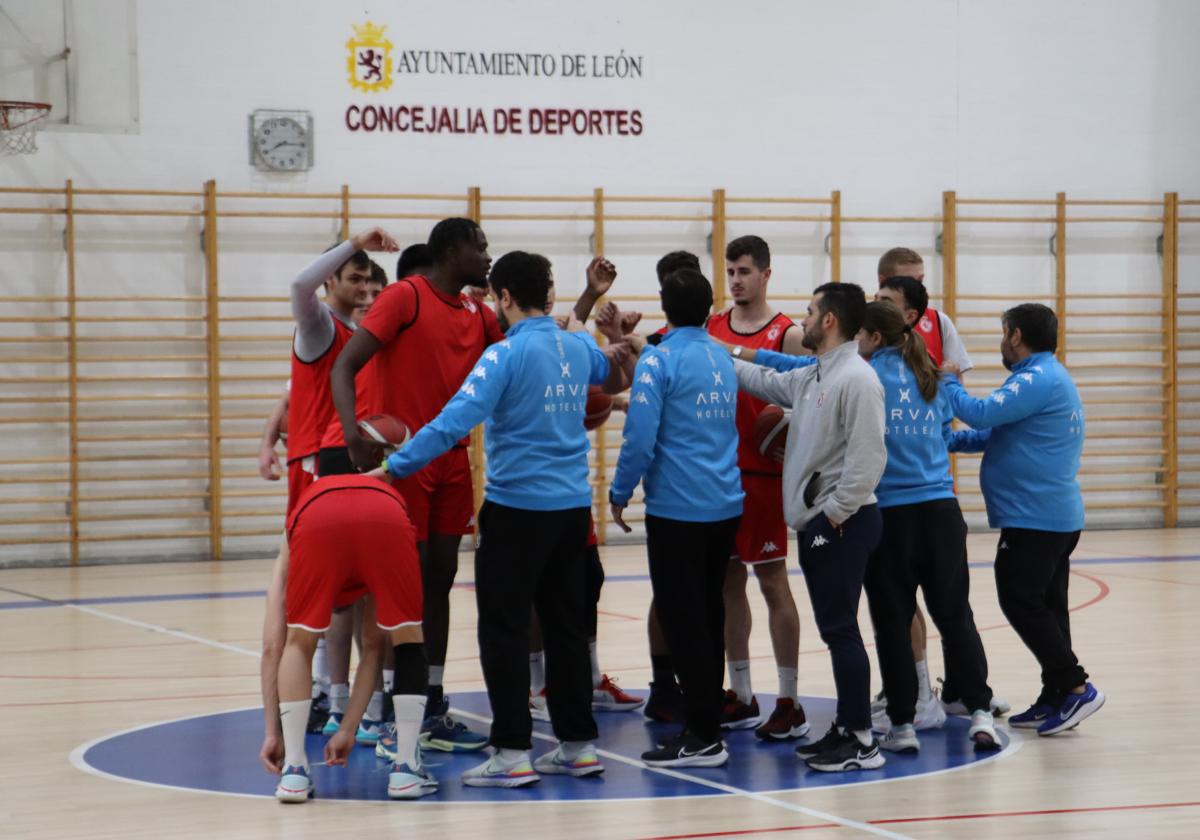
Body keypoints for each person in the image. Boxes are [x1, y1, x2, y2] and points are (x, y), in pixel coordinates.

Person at [376, 250, 628, 787]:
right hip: (571, 513)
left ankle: (513, 753)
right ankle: (578, 746)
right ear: (550, 293)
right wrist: (610, 335)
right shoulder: (579, 347)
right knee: (565, 628)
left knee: (505, 631)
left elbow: (450, 425)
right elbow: (612, 367)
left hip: (516, 515)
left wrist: (394, 467)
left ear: (504, 298)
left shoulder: (501, 358)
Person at [332, 218, 501, 754]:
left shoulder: (478, 312)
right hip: (404, 460)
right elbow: (344, 364)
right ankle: (387, 706)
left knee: (441, 580)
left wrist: (588, 304)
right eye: (480, 246)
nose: (487, 254)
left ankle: (430, 699)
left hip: (454, 460)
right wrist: (352, 432)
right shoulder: (405, 297)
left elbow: (527, 349)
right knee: (403, 582)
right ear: (452, 251)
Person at [731, 282, 887, 773]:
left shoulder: (858, 380)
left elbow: (868, 463)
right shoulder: (816, 375)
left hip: (845, 524)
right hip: (824, 523)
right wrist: (704, 351)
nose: (803, 317)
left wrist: (832, 517)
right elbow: (760, 379)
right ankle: (847, 725)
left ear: (829, 321)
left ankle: (861, 740)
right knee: (834, 627)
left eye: (810, 310)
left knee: (841, 630)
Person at [944, 303, 1104, 736]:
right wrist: (950, 441)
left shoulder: (1038, 377)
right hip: (1047, 516)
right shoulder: (1039, 377)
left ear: (1015, 335)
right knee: (1048, 607)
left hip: (1037, 519)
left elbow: (980, 412)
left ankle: (1075, 685)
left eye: (1002, 333)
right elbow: (997, 431)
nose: (1001, 340)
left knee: (1019, 600)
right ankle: (1055, 693)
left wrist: (946, 381)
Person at [608, 268, 743, 768]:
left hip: (677, 511)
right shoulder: (722, 357)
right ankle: (706, 724)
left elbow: (640, 436)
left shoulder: (659, 360)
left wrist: (620, 492)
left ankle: (703, 734)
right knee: (709, 615)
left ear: (666, 307)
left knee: (685, 622)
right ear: (710, 308)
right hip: (725, 505)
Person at [258, 473, 434, 802]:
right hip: (386, 514)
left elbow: (273, 648)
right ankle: (406, 770)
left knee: (299, 642)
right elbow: (372, 649)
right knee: (407, 636)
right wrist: (347, 730)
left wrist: (273, 733)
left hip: (317, 515)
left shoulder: (289, 542)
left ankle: (294, 770)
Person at [707, 235, 808, 739]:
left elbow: (811, 394)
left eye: (744, 271)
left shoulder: (788, 333)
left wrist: (793, 436)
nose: (736, 280)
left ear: (766, 274)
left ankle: (788, 698)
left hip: (767, 477)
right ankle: (742, 693)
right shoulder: (711, 326)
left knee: (773, 583)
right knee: (728, 586)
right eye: (730, 272)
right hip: (720, 474)